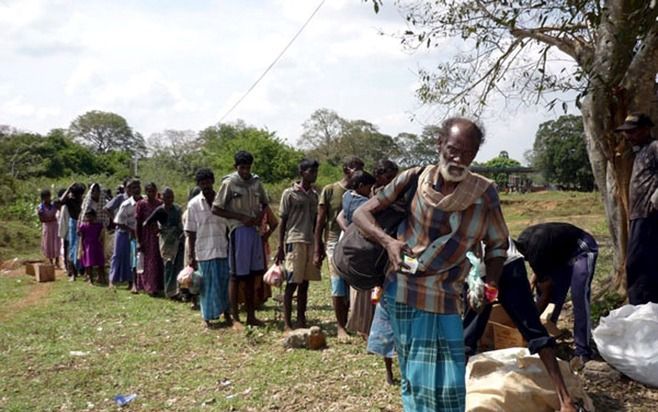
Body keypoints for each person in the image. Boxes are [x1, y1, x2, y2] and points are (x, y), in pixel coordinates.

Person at [353, 117, 508, 411]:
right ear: (439, 144)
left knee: (450, 383)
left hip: (447, 296)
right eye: (452, 149)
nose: (459, 159)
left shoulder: (484, 193)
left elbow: (498, 244)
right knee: (414, 375)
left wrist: (491, 283)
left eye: (468, 153)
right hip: (403, 291)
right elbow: (362, 213)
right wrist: (388, 243)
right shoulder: (413, 178)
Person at [463, 239, 579, 412]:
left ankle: (566, 402)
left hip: (504, 264)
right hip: (478, 272)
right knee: (467, 339)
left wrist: (491, 283)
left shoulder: (474, 214)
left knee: (534, 332)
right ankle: (454, 398)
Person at [514, 222, 598, 364]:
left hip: (581, 249)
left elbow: (546, 294)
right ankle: (546, 336)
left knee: (579, 296)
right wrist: (532, 284)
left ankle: (583, 350)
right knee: (553, 294)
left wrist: (529, 320)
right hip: (560, 256)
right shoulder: (524, 241)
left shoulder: (535, 250)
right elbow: (538, 271)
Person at [213, 151, 269, 327]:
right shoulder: (229, 183)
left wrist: (260, 215)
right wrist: (239, 217)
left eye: (248, 167)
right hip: (238, 232)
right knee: (236, 276)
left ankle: (251, 315)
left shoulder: (256, 182)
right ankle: (236, 318)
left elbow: (265, 203)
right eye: (242, 168)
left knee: (253, 275)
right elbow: (217, 209)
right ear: (236, 167)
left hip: (254, 231)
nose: (245, 171)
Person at [314, 156, 364, 339]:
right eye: (355, 168)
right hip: (334, 241)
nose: (358, 172)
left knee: (353, 283)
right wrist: (317, 247)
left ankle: (355, 322)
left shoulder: (361, 191)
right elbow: (320, 221)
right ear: (346, 169)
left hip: (356, 242)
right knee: (337, 285)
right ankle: (340, 326)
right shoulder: (330, 190)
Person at [616, 112, 658, 304]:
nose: (628, 136)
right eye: (626, 132)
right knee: (642, 264)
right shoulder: (640, 152)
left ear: (646, 130)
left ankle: (641, 308)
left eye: (632, 132)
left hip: (648, 216)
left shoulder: (654, 147)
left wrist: (655, 200)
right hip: (638, 215)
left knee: (638, 264)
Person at [275, 159, 321, 332]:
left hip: (310, 241)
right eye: (311, 172)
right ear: (302, 173)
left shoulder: (315, 195)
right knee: (292, 282)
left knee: (305, 283)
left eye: (315, 172)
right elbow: (283, 221)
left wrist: (319, 244)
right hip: (294, 240)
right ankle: (287, 322)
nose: (314, 175)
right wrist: (280, 246)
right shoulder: (290, 193)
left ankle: (301, 319)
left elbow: (317, 221)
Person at [186, 169, 231, 328]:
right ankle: (207, 317)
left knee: (224, 283)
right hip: (204, 251)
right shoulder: (193, 204)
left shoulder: (222, 200)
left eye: (208, 181)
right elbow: (191, 232)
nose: (205, 185)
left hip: (222, 248)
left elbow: (228, 227)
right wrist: (191, 256)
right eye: (202, 182)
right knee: (207, 286)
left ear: (213, 181)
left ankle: (226, 313)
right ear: (198, 184)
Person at [340, 171, 377, 339]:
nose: (371, 190)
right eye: (369, 187)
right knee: (365, 291)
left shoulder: (347, 196)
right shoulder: (363, 203)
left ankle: (361, 326)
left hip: (349, 245)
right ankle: (364, 327)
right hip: (361, 247)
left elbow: (340, 216)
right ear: (361, 186)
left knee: (356, 290)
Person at [111, 179, 141, 290]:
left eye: (138, 187)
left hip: (139, 234)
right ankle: (113, 280)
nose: (136, 189)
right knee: (119, 256)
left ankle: (133, 282)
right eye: (133, 188)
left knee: (134, 258)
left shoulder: (143, 202)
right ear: (130, 190)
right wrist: (131, 230)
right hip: (124, 232)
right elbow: (119, 221)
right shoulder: (126, 204)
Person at [136, 182, 164, 296]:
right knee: (148, 261)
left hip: (158, 234)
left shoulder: (160, 204)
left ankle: (158, 285)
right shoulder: (141, 204)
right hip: (146, 236)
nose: (151, 193)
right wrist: (139, 240)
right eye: (148, 191)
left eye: (153, 191)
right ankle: (149, 287)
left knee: (158, 260)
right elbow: (138, 223)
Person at [155, 188, 184, 299]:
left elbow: (182, 224)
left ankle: (178, 290)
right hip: (165, 241)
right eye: (166, 197)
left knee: (178, 265)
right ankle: (169, 291)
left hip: (177, 240)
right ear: (162, 197)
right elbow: (154, 225)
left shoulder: (177, 209)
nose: (169, 199)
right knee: (168, 266)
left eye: (171, 197)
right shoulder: (159, 210)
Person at [57, 183, 86, 280]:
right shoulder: (73, 201)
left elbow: (60, 201)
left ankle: (78, 271)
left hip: (78, 224)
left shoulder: (77, 200)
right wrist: (69, 189)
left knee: (78, 248)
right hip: (75, 224)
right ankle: (75, 272)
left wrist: (69, 188)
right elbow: (60, 201)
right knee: (74, 249)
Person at [78, 209, 105, 284]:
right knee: (88, 263)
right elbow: (81, 237)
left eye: (91, 216)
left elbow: (102, 235)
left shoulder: (98, 225)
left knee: (100, 262)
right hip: (87, 246)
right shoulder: (83, 226)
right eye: (87, 217)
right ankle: (90, 278)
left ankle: (101, 277)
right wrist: (82, 248)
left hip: (97, 244)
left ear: (95, 217)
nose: (89, 218)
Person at [37, 189, 60, 267]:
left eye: (49, 197)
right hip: (47, 227)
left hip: (55, 226)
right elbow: (41, 219)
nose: (48, 199)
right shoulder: (40, 207)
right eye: (46, 197)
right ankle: (51, 261)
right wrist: (51, 219)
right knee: (48, 243)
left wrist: (50, 219)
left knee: (56, 243)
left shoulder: (54, 204)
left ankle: (57, 261)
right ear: (43, 198)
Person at [56, 188, 69, 270]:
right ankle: (66, 265)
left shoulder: (66, 206)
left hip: (67, 230)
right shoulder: (61, 208)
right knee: (64, 248)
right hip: (64, 231)